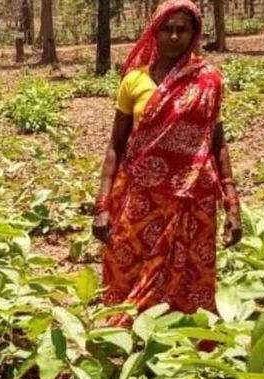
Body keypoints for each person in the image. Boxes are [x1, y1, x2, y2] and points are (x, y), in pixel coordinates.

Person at [91, 0, 242, 328]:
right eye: (167, 29)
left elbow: (217, 143)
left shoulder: (209, 81)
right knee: (127, 266)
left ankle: (184, 345)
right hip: (140, 196)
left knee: (188, 276)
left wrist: (232, 204)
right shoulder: (134, 80)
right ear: (154, 32)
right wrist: (102, 205)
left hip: (192, 200)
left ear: (193, 35)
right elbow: (116, 144)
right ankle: (128, 337)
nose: (174, 36)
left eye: (182, 30)